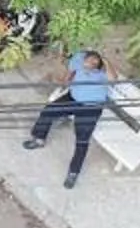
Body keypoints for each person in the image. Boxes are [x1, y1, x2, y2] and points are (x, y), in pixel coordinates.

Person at [23, 48, 114, 187]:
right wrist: (65, 83)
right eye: (88, 61)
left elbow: (114, 79)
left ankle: (73, 172)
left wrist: (106, 62)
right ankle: (39, 138)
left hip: (91, 108)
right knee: (48, 111)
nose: (90, 65)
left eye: (94, 63)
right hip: (73, 97)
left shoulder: (103, 73)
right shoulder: (78, 58)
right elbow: (70, 74)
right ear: (84, 58)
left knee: (82, 139)